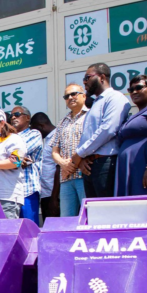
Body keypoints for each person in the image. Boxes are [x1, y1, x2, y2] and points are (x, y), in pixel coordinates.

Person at [69, 64, 131, 198]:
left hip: (106, 164)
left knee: (107, 208)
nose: (84, 82)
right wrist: (82, 158)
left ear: (102, 77)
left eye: (87, 77)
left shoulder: (115, 97)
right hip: (90, 165)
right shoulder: (96, 103)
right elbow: (88, 135)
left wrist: (80, 153)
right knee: (93, 209)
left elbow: (108, 130)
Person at [117, 74, 147, 198]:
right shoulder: (132, 116)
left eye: (138, 88)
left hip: (143, 166)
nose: (134, 92)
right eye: (131, 90)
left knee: (144, 201)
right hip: (128, 168)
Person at [52, 84, 89, 217]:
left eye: (74, 94)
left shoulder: (90, 116)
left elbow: (93, 143)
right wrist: (63, 164)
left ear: (84, 96)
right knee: (67, 219)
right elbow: (54, 151)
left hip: (84, 175)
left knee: (88, 216)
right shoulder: (62, 122)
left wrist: (73, 162)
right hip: (66, 178)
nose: (70, 98)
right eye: (67, 96)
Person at [10, 105, 43, 223]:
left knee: (29, 229)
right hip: (10, 192)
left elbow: (21, 150)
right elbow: (8, 155)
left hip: (27, 190)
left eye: (17, 114)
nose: (13, 117)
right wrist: (15, 159)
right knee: (13, 229)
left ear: (27, 117)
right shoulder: (8, 137)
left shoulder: (34, 134)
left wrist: (12, 158)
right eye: (11, 116)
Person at [31, 113, 59, 219]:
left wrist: (54, 198)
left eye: (35, 130)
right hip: (46, 193)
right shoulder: (47, 139)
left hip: (54, 194)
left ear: (41, 126)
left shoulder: (57, 138)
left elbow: (59, 168)